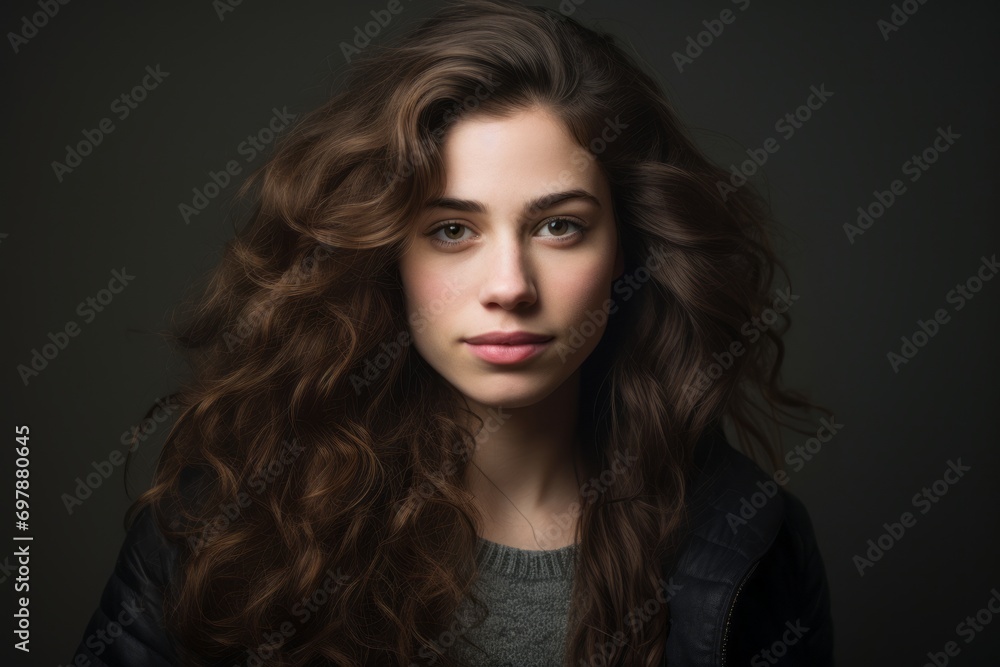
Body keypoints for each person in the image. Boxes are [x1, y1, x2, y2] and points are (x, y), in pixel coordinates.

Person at [71, 0, 834, 665]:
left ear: (628, 249)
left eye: (560, 226)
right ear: (384, 252)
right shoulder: (227, 521)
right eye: (452, 230)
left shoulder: (746, 539)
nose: (509, 285)